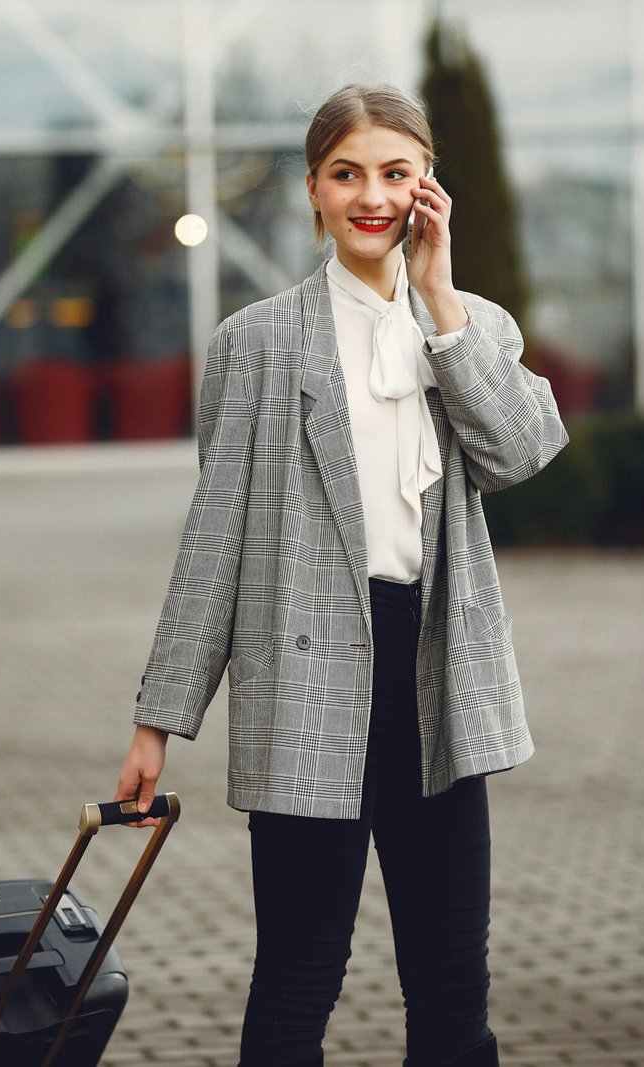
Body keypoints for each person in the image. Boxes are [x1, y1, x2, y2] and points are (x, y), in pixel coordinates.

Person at [114, 83, 568, 1067]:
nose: (372, 195)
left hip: (433, 677)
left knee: (452, 984)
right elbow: (215, 539)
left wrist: (442, 306)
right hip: (304, 678)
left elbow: (523, 453)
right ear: (314, 191)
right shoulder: (256, 342)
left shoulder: (472, 327)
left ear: (426, 189)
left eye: (395, 173)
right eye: (346, 173)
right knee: (297, 977)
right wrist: (160, 716)